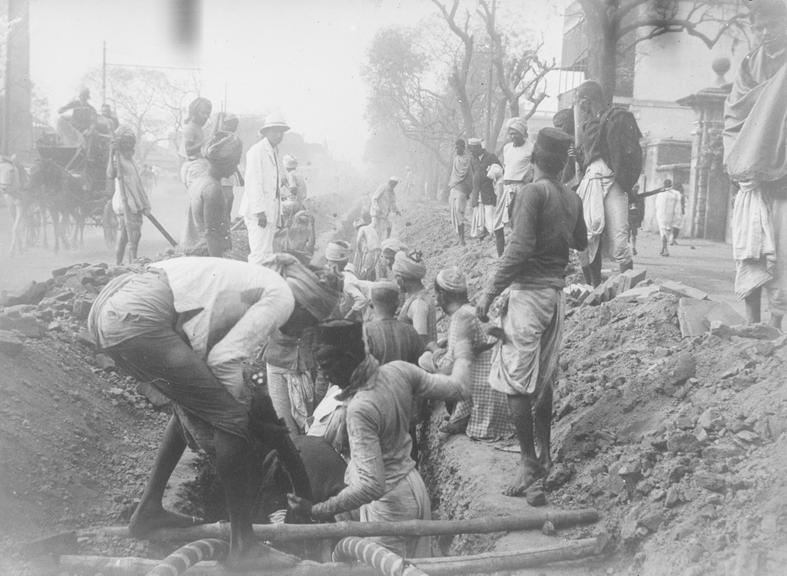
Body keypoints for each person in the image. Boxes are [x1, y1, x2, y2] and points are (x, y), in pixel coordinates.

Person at [87, 255, 336, 568]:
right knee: (232, 421)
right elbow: (225, 359)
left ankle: (148, 509)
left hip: (113, 312)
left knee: (194, 405)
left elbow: (213, 358)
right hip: (138, 317)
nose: (301, 333)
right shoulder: (282, 297)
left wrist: (253, 414)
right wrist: (247, 416)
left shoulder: (255, 281)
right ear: (304, 305)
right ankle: (244, 544)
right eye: (310, 323)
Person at [287, 320, 472, 557]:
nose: (326, 376)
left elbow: (372, 485)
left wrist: (318, 509)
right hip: (413, 488)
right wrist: (464, 346)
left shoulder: (360, 408)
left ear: (348, 357)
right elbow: (459, 387)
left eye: (327, 365)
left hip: (389, 505)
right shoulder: (398, 371)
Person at [477, 128, 587, 497]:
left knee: (515, 382)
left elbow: (519, 248)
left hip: (528, 296)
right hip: (555, 298)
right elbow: (583, 241)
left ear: (535, 159)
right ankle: (544, 454)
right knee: (542, 380)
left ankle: (527, 464)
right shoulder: (572, 197)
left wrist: (489, 293)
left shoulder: (530, 193)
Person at [724, 0, 787, 328]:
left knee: (783, 255)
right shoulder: (750, 65)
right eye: (758, 27)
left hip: (784, 179)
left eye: (771, 25)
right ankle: (751, 323)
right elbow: (734, 114)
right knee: (751, 250)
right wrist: (741, 158)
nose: (764, 32)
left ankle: (775, 326)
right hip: (751, 175)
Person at [422, 267, 512, 440]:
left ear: (444, 295)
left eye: (437, 294)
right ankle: (460, 413)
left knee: (425, 361)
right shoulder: (471, 311)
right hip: (498, 384)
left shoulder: (460, 318)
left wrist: (434, 351)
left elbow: (450, 366)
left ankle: (458, 414)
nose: (436, 299)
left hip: (485, 390)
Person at [262, 259, 342, 436]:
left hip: (309, 367)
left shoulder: (317, 306)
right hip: (278, 363)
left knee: (314, 424)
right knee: (285, 425)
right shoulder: (276, 302)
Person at [574, 80, 642, 286]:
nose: (579, 106)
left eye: (579, 101)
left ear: (586, 100)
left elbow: (633, 154)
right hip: (593, 179)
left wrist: (627, 182)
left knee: (620, 241)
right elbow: (583, 152)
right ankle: (593, 287)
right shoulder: (587, 124)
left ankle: (627, 289)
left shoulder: (619, 118)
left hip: (614, 181)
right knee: (587, 236)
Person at [182, 131, 243, 257]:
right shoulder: (213, 189)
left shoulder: (200, 180)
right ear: (226, 162)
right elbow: (211, 234)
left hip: (194, 250)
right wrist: (218, 265)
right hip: (205, 255)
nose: (236, 167)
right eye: (235, 162)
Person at [240, 112, 290, 265]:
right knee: (258, 255)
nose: (279, 135)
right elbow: (253, 183)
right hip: (259, 212)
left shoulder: (274, 151)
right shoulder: (256, 151)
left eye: (281, 131)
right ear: (266, 132)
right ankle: (254, 285)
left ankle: (263, 285)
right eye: (275, 131)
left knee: (267, 253)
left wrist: (278, 213)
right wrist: (259, 211)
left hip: (270, 210)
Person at [107, 126, 151, 264]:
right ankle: (119, 263)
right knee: (128, 236)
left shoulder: (130, 160)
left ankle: (131, 262)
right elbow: (110, 174)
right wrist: (111, 153)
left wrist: (144, 204)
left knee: (132, 236)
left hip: (135, 203)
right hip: (125, 202)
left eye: (130, 142)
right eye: (125, 142)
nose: (128, 145)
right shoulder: (117, 159)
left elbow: (137, 184)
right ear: (120, 144)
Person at [495, 118, 533, 257]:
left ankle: (519, 255)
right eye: (510, 133)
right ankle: (500, 256)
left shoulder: (531, 148)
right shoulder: (507, 148)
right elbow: (507, 168)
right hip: (506, 188)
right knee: (497, 223)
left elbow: (534, 169)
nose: (512, 136)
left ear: (522, 133)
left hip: (520, 188)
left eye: (515, 133)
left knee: (518, 223)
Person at [365, 282, 424, 366]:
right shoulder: (410, 332)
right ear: (397, 303)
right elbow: (420, 363)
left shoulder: (365, 332)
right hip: (406, 378)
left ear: (370, 303)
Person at [393, 250, 437, 346]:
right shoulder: (419, 296)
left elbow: (419, 343)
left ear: (400, 280)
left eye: (396, 278)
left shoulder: (418, 304)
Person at [468, 138, 500, 242]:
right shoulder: (472, 159)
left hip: (489, 190)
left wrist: (491, 173)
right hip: (478, 191)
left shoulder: (491, 157)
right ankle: (482, 234)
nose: (471, 152)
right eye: (470, 150)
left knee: (489, 212)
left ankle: (492, 235)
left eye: (473, 150)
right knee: (479, 214)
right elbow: (474, 174)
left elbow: (500, 170)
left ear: (479, 148)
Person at [179, 97, 213, 188]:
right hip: (194, 168)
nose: (206, 116)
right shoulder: (190, 128)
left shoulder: (198, 128)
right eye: (203, 113)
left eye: (208, 114)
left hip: (200, 167)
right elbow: (188, 151)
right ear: (194, 112)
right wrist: (205, 142)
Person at [218, 114, 244, 225]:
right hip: (219, 170)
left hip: (229, 171)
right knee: (224, 197)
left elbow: (235, 159)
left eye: (235, 124)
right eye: (232, 124)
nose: (234, 126)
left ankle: (225, 220)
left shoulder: (235, 139)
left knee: (229, 197)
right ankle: (221, 221)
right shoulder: (219, 136)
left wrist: (239, 175)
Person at [447, 139, 473, 246]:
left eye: (459, 147)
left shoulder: (467, 160)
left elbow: (470, 176)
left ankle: (462, 239)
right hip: (454, 188)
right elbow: (453, 174)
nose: (457, 149)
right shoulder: (455, 159)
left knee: (459, 211)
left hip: (462, 189)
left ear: (463, 147)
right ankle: (459, 237)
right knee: (454, 213)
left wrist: (468, 190)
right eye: (456, 147)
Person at [654, 179, 683, 257]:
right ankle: (664, 249)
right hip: (670, 216)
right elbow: (677, 208)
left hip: (661, 216)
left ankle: (665, 249)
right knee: (667, 232)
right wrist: (677, 218)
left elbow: (656, 206)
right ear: (671, 185)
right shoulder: (675, 194)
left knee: (662, 231)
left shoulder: (660, 194)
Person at [628, 184, 644, 256]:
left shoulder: (640, 198)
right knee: (627, 234)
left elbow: (642, 209)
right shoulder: (626, 196)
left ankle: (633, 248)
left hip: (635, 218)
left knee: (634, 234)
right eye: (634, 187)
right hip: (627, 217)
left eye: (637, 187)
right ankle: (628, 248)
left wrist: (640, 219)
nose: (636, 189)